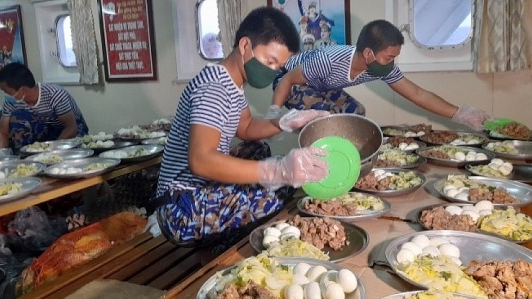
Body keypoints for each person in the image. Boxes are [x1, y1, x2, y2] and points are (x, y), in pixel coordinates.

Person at [152, 7, 329, 251]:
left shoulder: (232, 82)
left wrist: (286, 121)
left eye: (279, 67)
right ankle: (223, 249)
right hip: (179, 208)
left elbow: (245, 127)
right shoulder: (214, 88)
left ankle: (217, 242)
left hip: (201, 189)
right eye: (270, 61)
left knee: (257, 149)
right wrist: (276, 171)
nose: (273, 71)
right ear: (246, 46)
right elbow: (201, 160)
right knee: (277, 191)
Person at [269, 19, 490, 130]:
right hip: (289, 80)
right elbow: (287, 80)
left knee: (356, 112)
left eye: (395, 57)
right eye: (388, 57)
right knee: (324, 116)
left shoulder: (381, 67)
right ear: (368, 53)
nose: (391, 63)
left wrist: (460, 114)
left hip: (320, 86)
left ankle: (354, 158)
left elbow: (417, 93)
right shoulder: (329, 60)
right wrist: (274, 116)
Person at [0, 63, 89, 154]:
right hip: (45, 133)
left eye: (7, 91)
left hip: (68, 132)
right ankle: (24, 156)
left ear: (22, 90)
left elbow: (71, 128)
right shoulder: (12, 102)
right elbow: (2, 132)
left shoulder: (55, 94)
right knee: (17, 119)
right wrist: (2, 154)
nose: (6, 95)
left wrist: (53, 150)